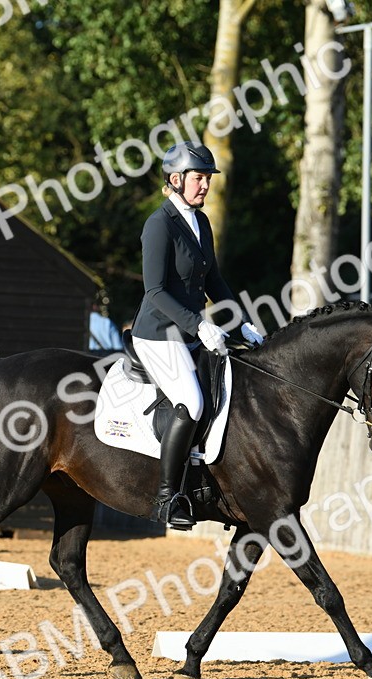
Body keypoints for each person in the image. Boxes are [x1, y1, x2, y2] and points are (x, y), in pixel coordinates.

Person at [130, 141, 263, 528]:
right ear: (176, 179)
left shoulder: (201, 222)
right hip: (158, 335)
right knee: (192, 401)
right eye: (199, 178)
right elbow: (155, 291)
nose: (206, 185)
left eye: (208, 178)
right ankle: (167, 497)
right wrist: (200, 325)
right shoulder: (159, 225)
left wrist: (240, 323)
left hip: (190, 332)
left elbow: (214, 281)